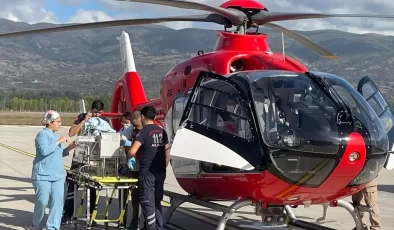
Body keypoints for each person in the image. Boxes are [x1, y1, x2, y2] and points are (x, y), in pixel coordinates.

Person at [62, 99, 110, 225]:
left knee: (92, 187)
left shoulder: (105, 122)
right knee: (72, 185)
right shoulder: (83, 117)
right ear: (91, 110)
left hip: (94, 158)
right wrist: (84, 120)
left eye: (99, 113)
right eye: (95, 112)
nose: (97, 115)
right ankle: (67, 213)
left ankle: (91, 216)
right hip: (80, 157)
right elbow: (71, 133)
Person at [128, 106, 171, 230]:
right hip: (160, 173)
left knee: (148, 204)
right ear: (155, 117)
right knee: (157, 202)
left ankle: (151, 228)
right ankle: (159, 227)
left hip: (147, 174)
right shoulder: (162, 131)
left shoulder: (144, 132)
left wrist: (133, 154)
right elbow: (167, 154)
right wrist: (163, 167)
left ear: (142, 117)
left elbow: (132, 151)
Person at [32, 110, 76, 230]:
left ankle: (52, 227)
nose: (60, 124)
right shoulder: (42, 135)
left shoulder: (56, 136)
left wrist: (69, 148)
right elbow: (44, 151)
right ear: (50, 122)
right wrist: (58, 141)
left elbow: (58, 154)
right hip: (42, 175)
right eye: (58, 121)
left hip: (57, 176)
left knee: (57, 203)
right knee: (42, 202)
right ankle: (36, 225)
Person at [117, 111, 144, 230]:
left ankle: (135, 222)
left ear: (142, 120)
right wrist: (124, 142)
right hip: (130, 166)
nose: (134, 127)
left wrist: (131, 145)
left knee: (136, 198)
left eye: (136, 124)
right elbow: (119, 138)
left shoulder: (146, 130)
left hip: (140, 168)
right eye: (132, 124)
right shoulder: (131, 128)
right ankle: (121, 221)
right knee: (123, 195)